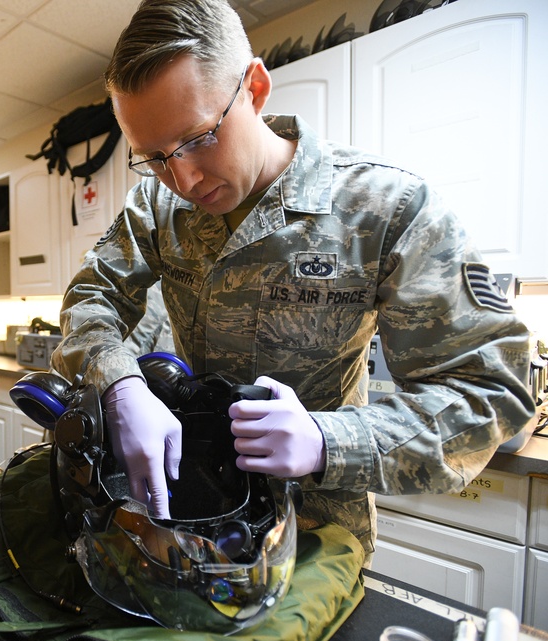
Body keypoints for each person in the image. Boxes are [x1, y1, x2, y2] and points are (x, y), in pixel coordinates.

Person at [50, 0, 535, 556]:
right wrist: (119, 384)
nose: (181, 178)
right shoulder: (157, 206)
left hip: (316, 535)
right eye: (154, 157)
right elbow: (93, 296)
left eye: (198, 138)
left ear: (254, 89)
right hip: (189, 518)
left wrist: (326, 442)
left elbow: (492, 393)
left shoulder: (387, 207)